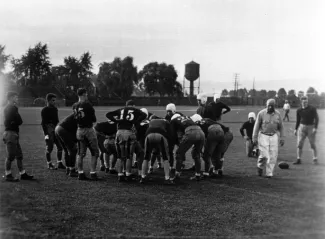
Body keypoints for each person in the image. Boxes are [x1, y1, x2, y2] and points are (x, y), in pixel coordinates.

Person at [106, 100, 147, 182]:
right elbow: (144, 115)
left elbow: (108, 114)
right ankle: (128, 174)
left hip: (119, 132)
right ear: (133, 105)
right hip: (129, 132)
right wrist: (136, 121)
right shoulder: (135, 110)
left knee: (120, 156)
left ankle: (120, 175)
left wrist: (117, 121)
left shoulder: (121, 109)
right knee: (129, 156)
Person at [2, 92, 34, 182]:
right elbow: (12, 121)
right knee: (11, 156)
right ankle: (8, 175)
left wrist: (15, 121)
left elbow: (19, 121)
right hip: (10, 133)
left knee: (19, 155)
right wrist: (14, 121)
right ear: (11, 98)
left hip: (14, 133)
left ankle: (22, 174)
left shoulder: (13, 108)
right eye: (15, 97)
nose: (17, 98)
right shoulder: (10, 108)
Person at [252, 99, 285, 178]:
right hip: (263, 135)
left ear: (274, 106)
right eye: (268, 105)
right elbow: (256, 126)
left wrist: (282, 137)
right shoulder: (261, 113)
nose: (270, 107)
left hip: (274, 136)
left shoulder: (278, 114)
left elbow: (281, 127)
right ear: (266, 105)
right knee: (264, 155)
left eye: (272, 106)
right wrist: (254, 137)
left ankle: (269, 173)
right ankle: (260, 166)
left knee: (273, 155)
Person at [72, 88, 99, 180]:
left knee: (80, 153)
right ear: (83, 95)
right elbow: (94, 119)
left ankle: (80, 173)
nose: (87, 96)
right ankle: (93, 173)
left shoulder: (74, 105)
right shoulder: (88, 105)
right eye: (86, 94)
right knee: (95, 152)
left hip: (79, 129)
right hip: (88, 129)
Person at [170, 114, 205, 181]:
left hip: (191, 132)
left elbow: (173, 135)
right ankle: (198, 175)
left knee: (179, 153)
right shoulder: (188, 117)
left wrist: (177, 144)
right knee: (196, 154)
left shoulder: (173, 121)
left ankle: (177, 175)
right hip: (201, 132)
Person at [140, 118, 175, 185]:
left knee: (146, 157)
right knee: (165, 157)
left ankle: (143, 177)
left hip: (149, 134)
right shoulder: (166, 121)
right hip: (160, 135)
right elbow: (170, 133)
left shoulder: (151, 121)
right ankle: (167, 178)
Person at [41, 93, 65, 170]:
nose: (54, 102)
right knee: (49, 148)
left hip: (55, 129)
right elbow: (43, 123)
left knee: (60, 146)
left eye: (55, 100)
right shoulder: (44, 110)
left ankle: (59, 162)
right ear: (48, 100)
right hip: (49, 130)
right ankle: (49, 164)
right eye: (53, 100)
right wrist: (46, 134)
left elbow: (56, 120)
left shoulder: (55, 109)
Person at [293, 96, 319, 165]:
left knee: (312, 143)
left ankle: (315, 158)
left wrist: (315, 128)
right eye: (303, 102)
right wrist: (295, 129)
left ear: (307, 101)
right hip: (302, 127)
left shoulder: (312, 109)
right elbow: (298, 120)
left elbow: (316, 118)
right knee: (299, 144)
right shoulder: (299, 110)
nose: (305, 103)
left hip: (311, 126)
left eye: (306, 101)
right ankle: (298, 159)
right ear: (301, 102)